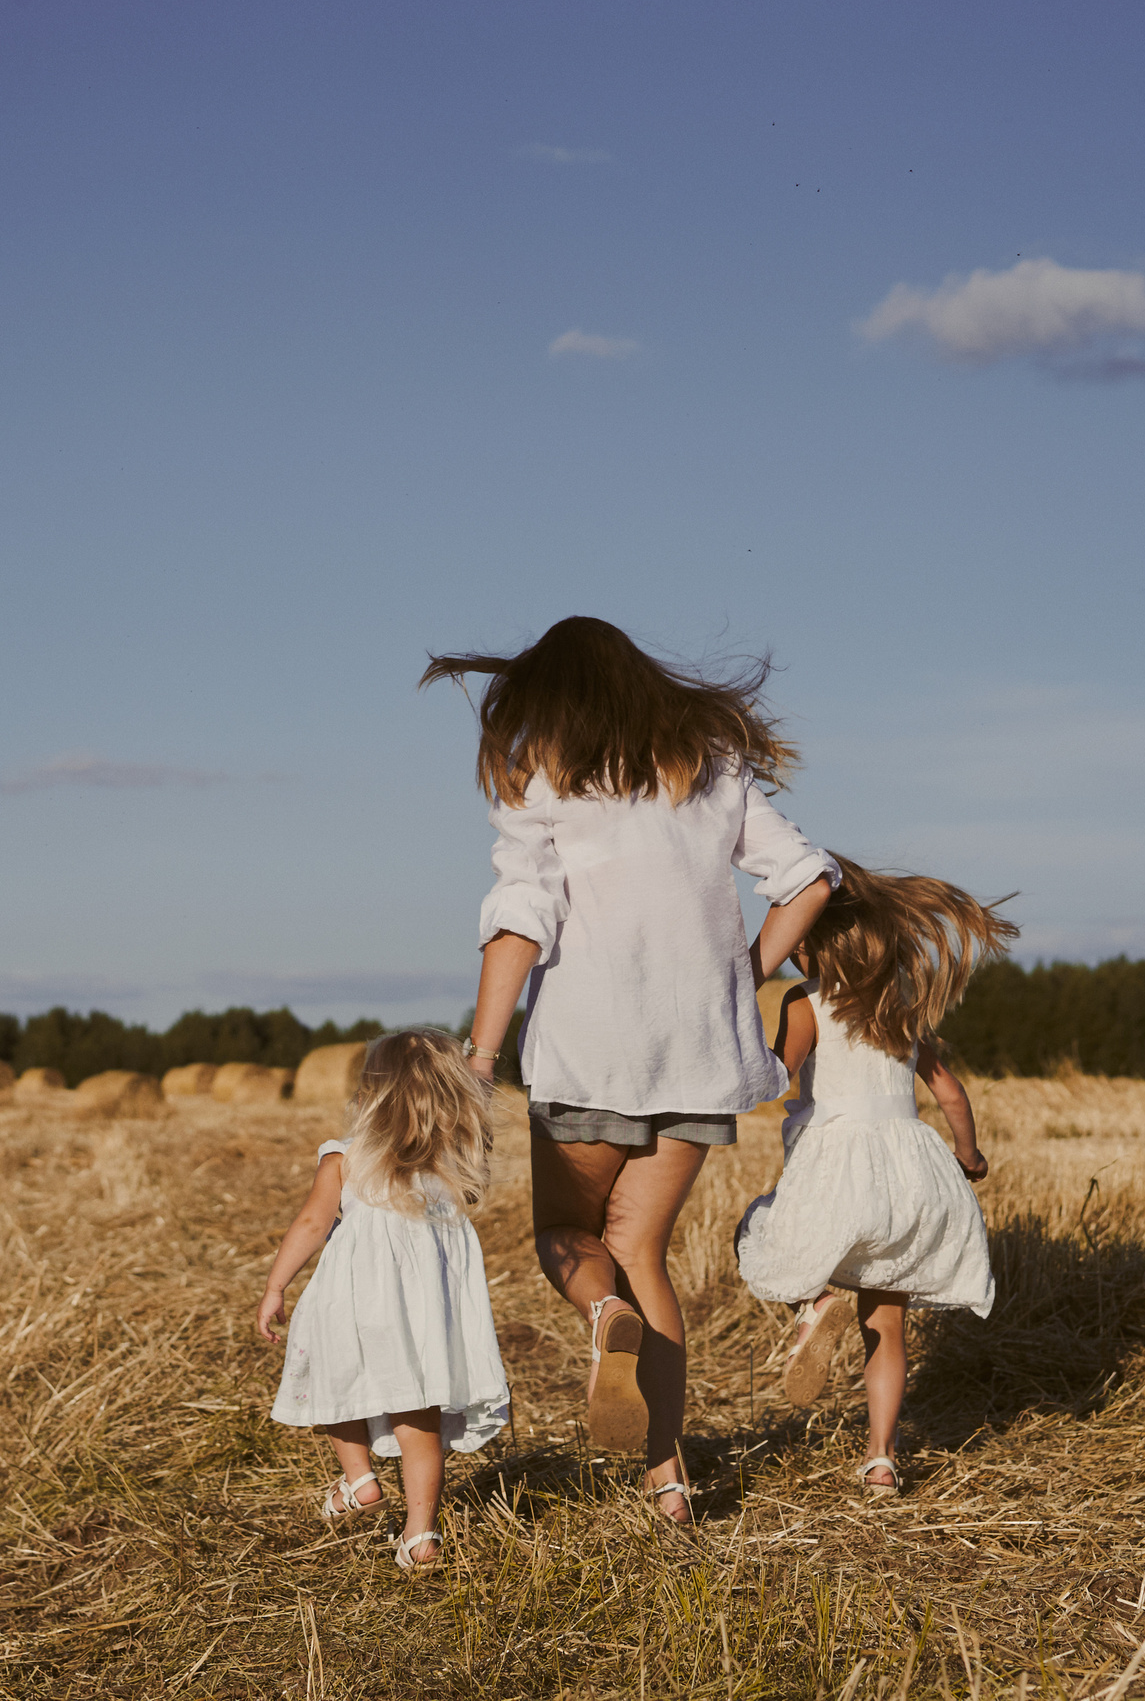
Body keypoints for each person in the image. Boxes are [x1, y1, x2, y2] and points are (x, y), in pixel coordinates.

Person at [426, 617, 836, 1525]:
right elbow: (809, 879)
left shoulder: (544, 779)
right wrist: (738, 980)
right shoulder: (713, 763)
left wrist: (480, 1057)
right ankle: (669, 1478)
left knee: (567, 1235)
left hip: (590, 1054)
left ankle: (602, 1316)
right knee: (644, 1250)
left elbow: (520, 919)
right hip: (700, 1059)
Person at [732, 858, 1017, 1494]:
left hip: (838, 1159)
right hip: (913, 1173)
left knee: (763, 1233)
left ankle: (817, 1299)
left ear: (815, 947)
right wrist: (968, 1157)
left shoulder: (804, 1003)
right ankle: (882, 1460)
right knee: (887, 1324)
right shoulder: (902, 1006)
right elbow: (951, 1095)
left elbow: (778, 1073)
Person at [259, 1027, 510, 1573]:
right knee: (418, 1411)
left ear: (368, 1095)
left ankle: (360, 1478)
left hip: (351, 1299)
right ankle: (421, 1536)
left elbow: (310, 1223)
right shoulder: (454, 1165)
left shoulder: (344, 1157)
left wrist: (277, 1286)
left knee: (334, 1377)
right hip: (424, 1317)